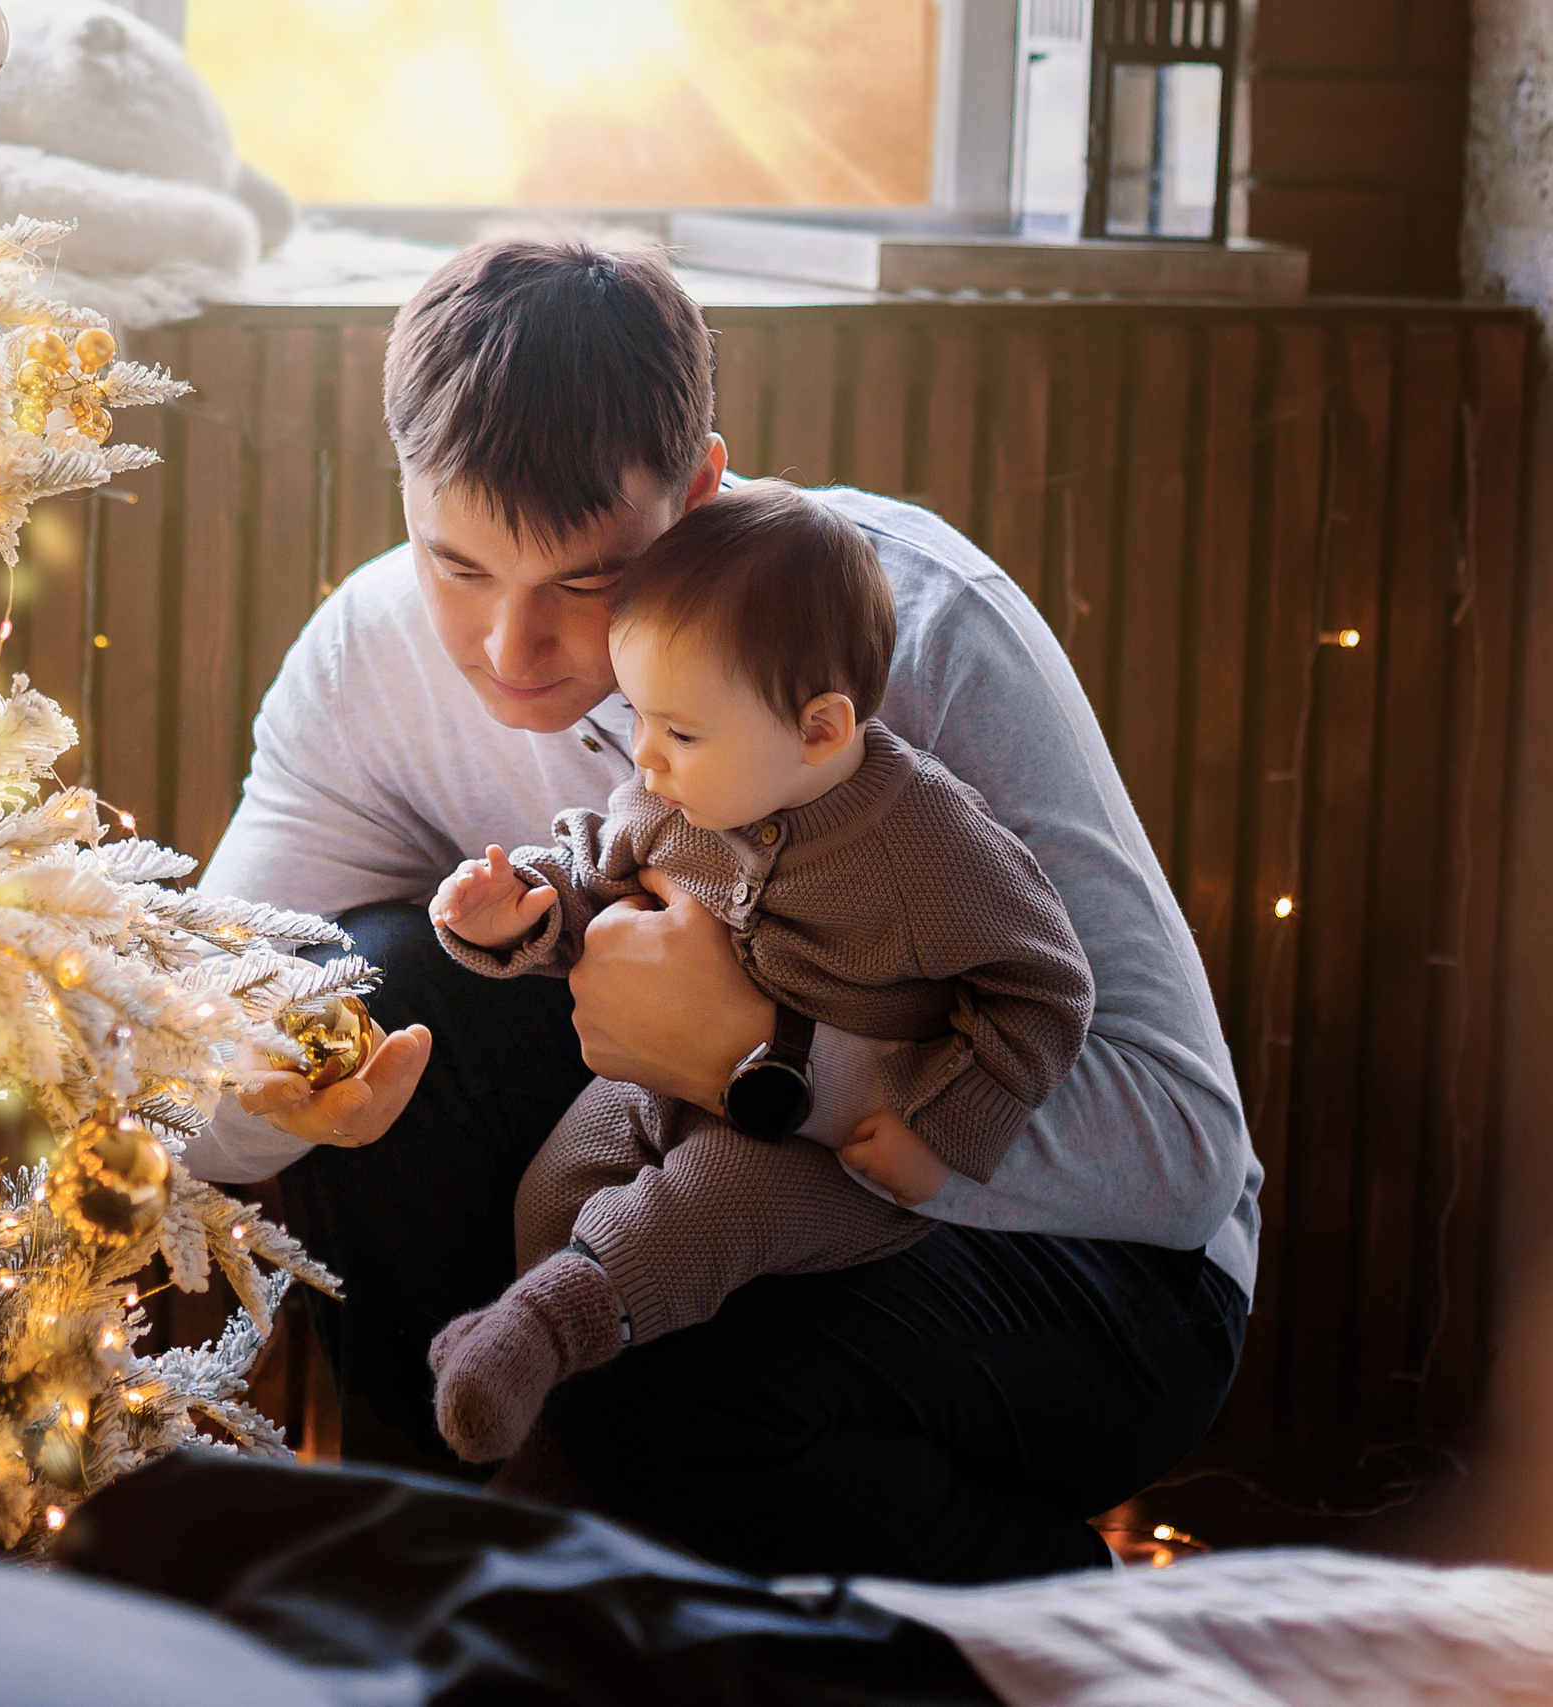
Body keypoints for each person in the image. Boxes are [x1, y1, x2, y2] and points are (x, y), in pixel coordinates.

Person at [185, 232, 1260, 1583]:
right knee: (377, 983)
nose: (513, 653)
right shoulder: (370, 655)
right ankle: (450, 1592)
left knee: (651, 1391)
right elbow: (185, 1049)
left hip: (1096, 1268)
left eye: (586, 579)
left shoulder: (907, 629)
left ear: (699, 489)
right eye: (456, 566)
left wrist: (767, 1060)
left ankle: (1054, 1607)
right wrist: (276, 1096)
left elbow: (1178, 1152)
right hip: (681, 1176)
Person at [422, 481, 1094, 1469]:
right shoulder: (673, 801)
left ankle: (545, 1332)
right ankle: (547, 1389)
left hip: (820, 1159)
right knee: (554, 1183)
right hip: (659, 1083)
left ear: (820, 730)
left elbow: (1043, 990)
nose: (644, 759)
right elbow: (589, 873)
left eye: (679, 731)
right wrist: (519, 911)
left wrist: (944, 1132)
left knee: (700, 1208)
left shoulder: (931, 848)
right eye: (639, 716)